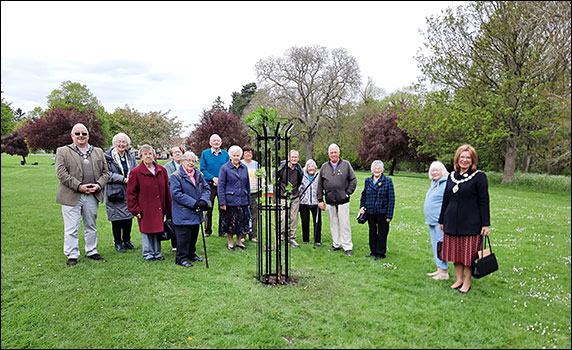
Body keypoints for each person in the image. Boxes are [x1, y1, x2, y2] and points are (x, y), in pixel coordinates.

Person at [439, 144, 490, 294]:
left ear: (473, 160)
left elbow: (484, 201)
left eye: (468, 157)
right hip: (451, 222)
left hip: (470, 223)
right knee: (455, 253)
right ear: (457, 158)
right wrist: (442, 220)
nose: (465, 160)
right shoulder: (451, 176)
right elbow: (446, 199)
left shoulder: (479, 177)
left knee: (468, 255)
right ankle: (459, 279)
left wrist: (486, 224)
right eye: (462, 157)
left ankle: (467, 281)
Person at [55, 123, 109, 266]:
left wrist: (98, 185)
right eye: (77, 133)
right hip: (71, 195)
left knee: (91, 225)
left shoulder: (98, 151)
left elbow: (106, 173)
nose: (81, 136)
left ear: (88, 136)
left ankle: (92, 251)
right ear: (72, 136)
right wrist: (79, 187)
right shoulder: (62, 151)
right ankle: (72, 254)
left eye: (84, 133)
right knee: (71, 227)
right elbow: (61, 174)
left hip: (92, 195)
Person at [127, 145, 172, 262]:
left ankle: (157, 253)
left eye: (150, 154)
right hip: (144, 208)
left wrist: (168, 209)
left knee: (157, 230)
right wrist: (135, 210)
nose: (148, 156)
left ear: (154, 155)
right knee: (146, 231)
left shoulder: (162, 171)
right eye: (145, 154)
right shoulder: (135, 172)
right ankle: (148, 254)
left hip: (159, 207)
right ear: (141, 156)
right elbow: (131, 194)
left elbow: (167, 191)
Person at [170, 151, 211, 267]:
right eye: (189, 160)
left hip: (196, 211)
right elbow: (176, 194)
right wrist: (194, 203)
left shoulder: (199, 174)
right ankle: (181, 258)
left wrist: (203, 201)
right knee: (183, 236)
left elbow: (206, 188)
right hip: (183, 211)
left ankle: (191, 254)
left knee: (194, 234)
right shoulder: (176, 175)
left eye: (193, 161)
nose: (191, 163)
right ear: (183, 161)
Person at [317, 143, 357, 256]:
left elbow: (353, 180)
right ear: (328, 154)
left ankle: (347, 246)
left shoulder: (346, 164)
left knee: (344, 223)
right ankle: (336, 244)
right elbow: (319, 185)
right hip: (329, 200)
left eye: (335, 152)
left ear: (339, 153)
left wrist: (347, 193)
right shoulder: (324, 167)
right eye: (331, 152)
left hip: (343, 200)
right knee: (333, 223)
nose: (333, 154)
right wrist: (320, 200)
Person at [104, 132, 139, 253]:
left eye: (124, 142)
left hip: (129, 190)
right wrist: (123, 179)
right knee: (117, 219)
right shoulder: (107, 156)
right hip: (115, 191)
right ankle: (118, 242)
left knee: (129, 217)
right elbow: (106, 174)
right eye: (119, 141)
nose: (121, 144)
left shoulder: (130, 156)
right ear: (114, 143)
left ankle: (127, 241)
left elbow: (136, 169)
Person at [359, 160, 395, 260]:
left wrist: (389, 215)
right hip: (370, 211)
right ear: (371, 170)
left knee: (382, 233)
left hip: (382, 212)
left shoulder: (388, 181)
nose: (377, 170)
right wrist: (362, 206)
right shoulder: (368, 181)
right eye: (375, 168)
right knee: (372, 231)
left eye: (379, 168)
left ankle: (380, 253)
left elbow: (391, 199)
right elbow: (364, 195)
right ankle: (373, 251)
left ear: (382, 170)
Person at [218, 145, 250, 251]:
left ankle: (239, 242)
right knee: (230, 223)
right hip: (230, 201)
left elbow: (247, 185)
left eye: (238, 155)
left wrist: (248, 200)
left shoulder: (244, 168)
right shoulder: (224, 168)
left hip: (243, 200)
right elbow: (221, 186)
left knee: (241, 222)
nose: (236, 157)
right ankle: (230, 242)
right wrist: (222, 202)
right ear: (230, 156)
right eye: (234, 155)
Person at [200, 134, 230, 237]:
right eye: (214, 141)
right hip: (209, 185)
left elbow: (228, 169)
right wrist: (213, 178)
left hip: (222, 185)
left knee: (223, 207)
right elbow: (202, 169)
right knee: (209, 208)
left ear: (221, 143)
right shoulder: (205, 154)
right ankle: (207, 231)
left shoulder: (225, 154)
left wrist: (221, 180)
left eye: (218, 141)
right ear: (210, 143)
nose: (216, 142)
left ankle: (222, 231)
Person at [424, 161, 449, 280]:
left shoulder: (446, 184)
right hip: (431, 221)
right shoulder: (434, 183)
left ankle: (444, 272)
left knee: (441, 245)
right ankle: (439, 269)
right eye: (432, 170)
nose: (434, 173)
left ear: (442, 171)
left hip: (440, 222)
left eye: (437, 170)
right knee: (435, 245)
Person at [277, 150, 303, 247]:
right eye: (292, 157)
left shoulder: (299, 169)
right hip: (283, 196)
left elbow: (299, 182)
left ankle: (291, 238)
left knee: (293, 218)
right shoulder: (282, 167)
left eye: (296, 157)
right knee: (283, 218)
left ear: (298, 158)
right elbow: (276, 180)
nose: (294, 159)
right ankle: (281, 237)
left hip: (295, 196)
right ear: (288, 158)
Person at [164, 145, 185, 251]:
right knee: (172, 220)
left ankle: (184, 242)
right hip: (172, 197)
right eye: (175, 152)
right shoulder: (167, 166)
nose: (177, 154)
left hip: (185, 197)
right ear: (172, 155)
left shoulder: (186, 164)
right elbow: (168, 180)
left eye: (179, 152)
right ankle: (174, 244)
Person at [299, 159, 322, 246]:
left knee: (317, 222)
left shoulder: (319, 176)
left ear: (315, 167)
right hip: (304, 202)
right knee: (305, 221)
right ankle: (305, 239)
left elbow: (322, 187)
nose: (311, 168)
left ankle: (317, 240)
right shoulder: (302, 175)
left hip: (316, 202)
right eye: (309, 166)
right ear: (306, 168)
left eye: (312, 166)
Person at [241, 145, 259, 242]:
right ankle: (243, 234)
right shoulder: (240, 164)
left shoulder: (256, 165)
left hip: (254, 192)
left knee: (254, 214)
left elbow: (262, 177)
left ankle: (253, 235)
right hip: (243, 193)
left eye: (250, 152)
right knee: (244, 214)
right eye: (246, 152)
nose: (248, 154)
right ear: (243, 154)